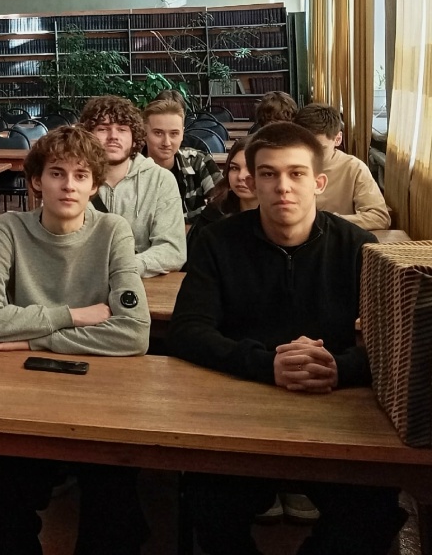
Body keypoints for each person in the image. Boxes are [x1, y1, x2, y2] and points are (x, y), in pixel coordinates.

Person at [169, 122, 406, 555]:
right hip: (242, 404)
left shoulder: (358, 246)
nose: (283, 186)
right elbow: (188, 330)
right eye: (269, 174)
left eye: (296, 173)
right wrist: (268, 365)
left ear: (318, 183)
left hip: (334, 409)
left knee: (373, 512)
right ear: (252, 181)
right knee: (209, 505)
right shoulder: (218, 241)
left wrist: (339, 367)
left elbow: (394, 344)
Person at [0, 126, 151, 555]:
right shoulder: (9, 228)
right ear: (36, 181)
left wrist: (30, 341)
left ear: (94, 185)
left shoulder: (113, 231)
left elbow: (134, 332)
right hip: (22, 391)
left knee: (114, 486)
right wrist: (73, 315)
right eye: (57, 173)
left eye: (81, 175)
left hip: (99, 392)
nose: (69, 185)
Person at [77, 96, 186, 277]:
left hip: (140, 283)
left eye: (122, 129)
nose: (113, 136)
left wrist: (123, 267)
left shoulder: (160, 180)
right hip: (81, 282)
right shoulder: (71, 179)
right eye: (103, 129)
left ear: (135, 138)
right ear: (88, 135)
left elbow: (172, 250)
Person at [293, 103, 390, 230]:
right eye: (303, 146)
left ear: (338, 139)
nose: (310, 154)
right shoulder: (283, 166)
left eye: (320, 149)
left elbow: (379, 217)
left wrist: (327, 222)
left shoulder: (354, 168)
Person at [142, 99, 223, 222]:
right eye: (158, 133)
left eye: (174, 133)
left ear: (182, 133)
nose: (166, 142)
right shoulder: (129, 169)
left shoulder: (199, 161)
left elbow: (223, 204)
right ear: (144, 133)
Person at [186, 138, 257, 257]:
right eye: (234, 168)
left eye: (250, 169)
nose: (241, 176)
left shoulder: (281, 219)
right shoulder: (213, 214)